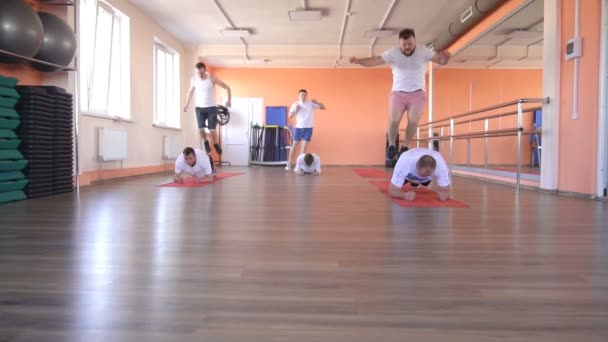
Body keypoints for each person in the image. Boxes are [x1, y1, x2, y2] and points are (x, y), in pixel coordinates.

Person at [349, 28, 451, 167]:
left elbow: (441, 60)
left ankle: (405, 146)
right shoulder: (393, 53)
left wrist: (445, 58)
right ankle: (391, 145)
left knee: (413, 121)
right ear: (400, 43)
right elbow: (375, 60)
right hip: (398, 93)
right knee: (394, 120)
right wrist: (359, 61)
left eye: (410, 44)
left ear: (414, 41)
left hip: (418, 93)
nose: (407, 47)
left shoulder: (424, 51)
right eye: (404, 45)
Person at [183, 62, 232, 156]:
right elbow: (190, 91)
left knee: (212, 130)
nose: (200, 75)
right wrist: (186, 105)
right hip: (199, 108)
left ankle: (216, 144)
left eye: (201, 73)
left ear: (205, 71)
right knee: (200, 129)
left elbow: (227, 88)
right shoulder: (194, 80)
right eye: (198, 73)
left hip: (211, 107)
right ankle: (206, 142)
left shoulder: (212, 78)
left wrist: (229, 100)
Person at [286, 89, 326, 171]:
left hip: (308, 128)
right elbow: (289, 116)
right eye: (301, 95)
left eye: (304, 95)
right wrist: (296, 109)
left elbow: (324, 107)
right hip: (298, 128)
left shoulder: (310, 104)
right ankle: (289, 163)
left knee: (303, 149)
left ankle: (299, 166)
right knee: (294, 146)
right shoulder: (295, 104)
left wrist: (317, 102)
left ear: (306, 96)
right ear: (299, 96)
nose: (303, 96)